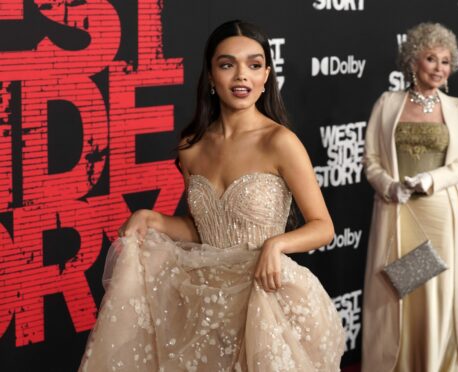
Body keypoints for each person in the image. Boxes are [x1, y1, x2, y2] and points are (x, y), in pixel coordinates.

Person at [79, 20, 345, 372]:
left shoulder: (279, 142)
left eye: (253, 65)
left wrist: (275, 245)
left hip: (263, 298)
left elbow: (323, 226)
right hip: (204, 302)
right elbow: (203, 230)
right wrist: (154, 219)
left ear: (266, 76)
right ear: (210, 76)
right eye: (227, 64)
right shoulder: (191, 147)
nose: (241, 76)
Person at [361, 22, 458, 372]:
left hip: (441, 213)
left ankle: (437, 363)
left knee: (436, 289)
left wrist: (431, 179)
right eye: (431, 59)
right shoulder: (388, 103)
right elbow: (371, 161)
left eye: (445, 61)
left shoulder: (457, 107)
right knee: (399, 290)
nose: (440, 68)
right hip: (397, 211)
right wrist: (390, 186)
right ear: (413, 62)